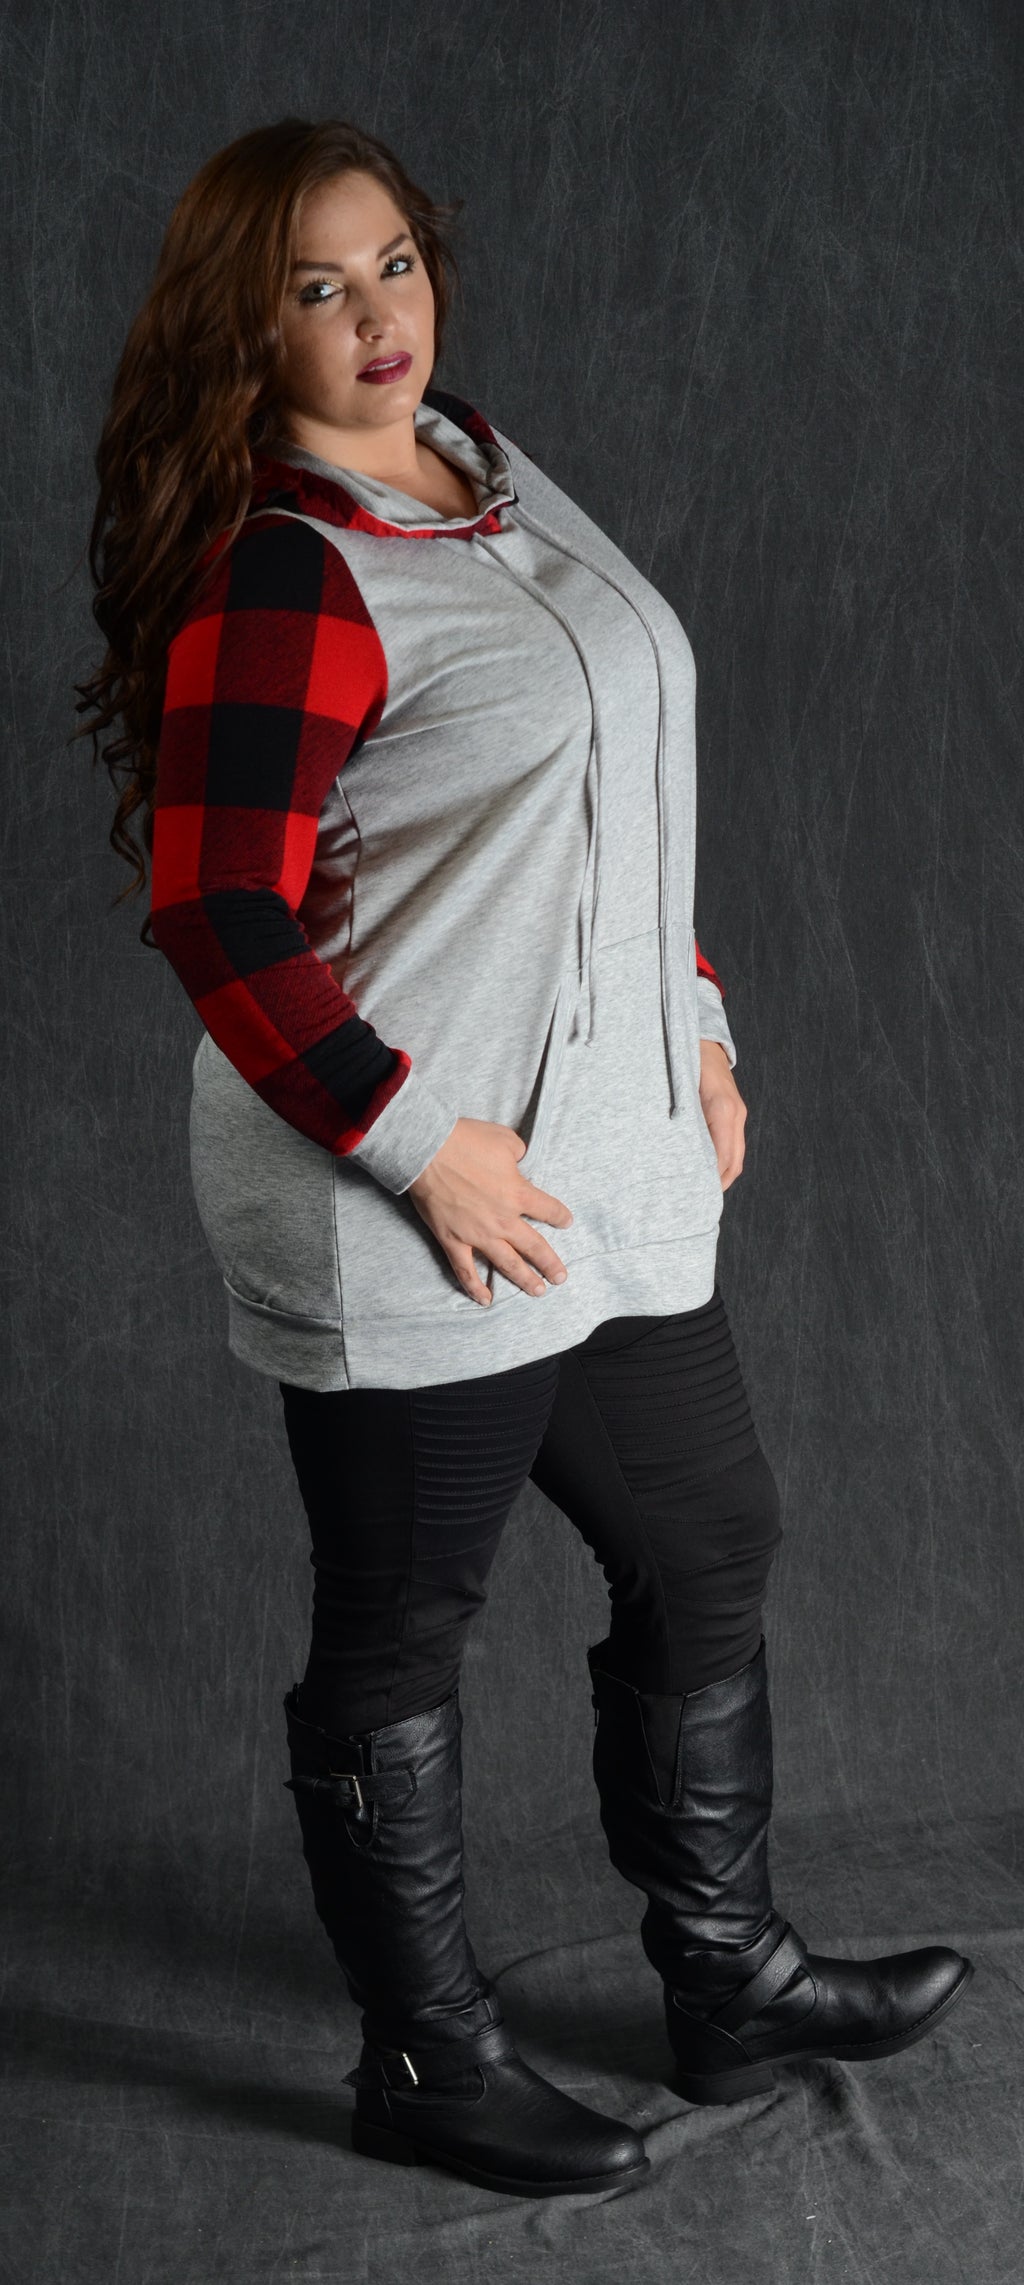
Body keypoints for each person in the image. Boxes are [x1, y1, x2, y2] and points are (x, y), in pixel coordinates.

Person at [76, 115, 973, 2202]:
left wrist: (699, 1030)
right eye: (313, 288)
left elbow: (608, 801)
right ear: (243, 328)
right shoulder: (287, 566)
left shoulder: (485, 471)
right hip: (403, 1189)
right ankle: (425, 2059)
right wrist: (420, 1148)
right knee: (401, 1627)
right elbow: (217, 911)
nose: (373, 316)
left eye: (390, 261)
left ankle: (728, 1978)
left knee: (707, 1536)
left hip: (592, 1168)